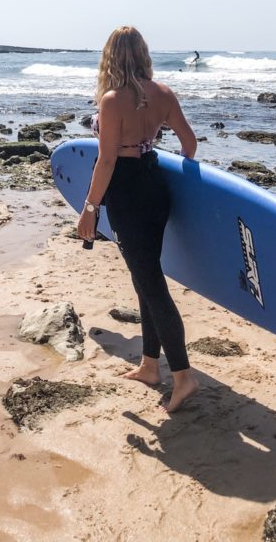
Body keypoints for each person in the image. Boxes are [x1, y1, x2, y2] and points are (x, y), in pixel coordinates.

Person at [78, 26, 199, 413]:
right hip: (155, 185)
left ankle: (183, 377)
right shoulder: (163, 94)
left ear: (111, 57)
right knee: (144, 277)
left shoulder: (112, 100)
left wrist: (91, 207)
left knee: (151, 284)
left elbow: (107, 160)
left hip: (126, 193)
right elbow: (189, 144)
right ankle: (150, 365)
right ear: (143, 54)